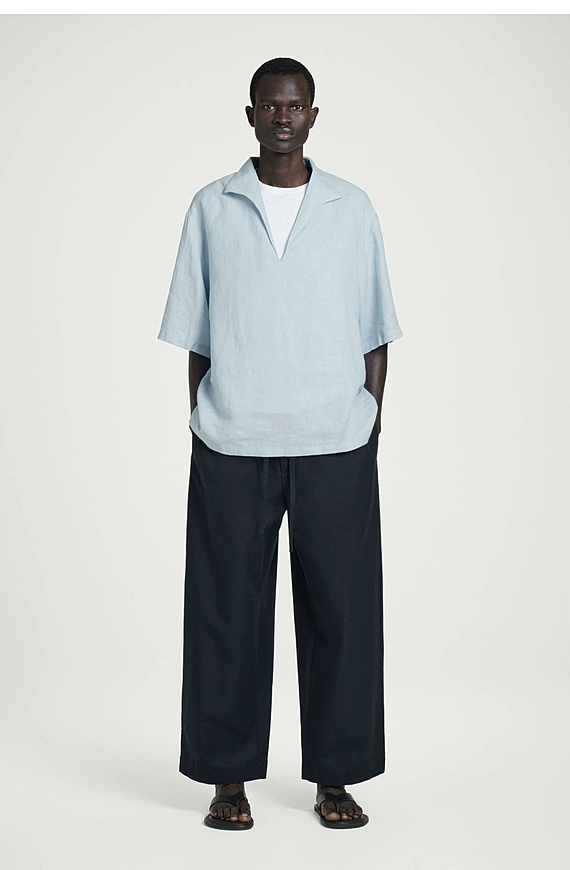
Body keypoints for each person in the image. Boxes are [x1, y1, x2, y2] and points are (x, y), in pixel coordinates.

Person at [157, 57, 403, 830]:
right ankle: (226, 778)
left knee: (342, 614)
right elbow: (196, 334)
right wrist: (205, 417)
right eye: (271, 106)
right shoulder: (212, 206)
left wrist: (368, 422)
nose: (284, 117)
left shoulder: (351, 208)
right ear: (252, 115)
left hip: (335, 442)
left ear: (314, 115)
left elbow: (375, 329)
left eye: (296, 106)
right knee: (226, 614)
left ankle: (336, 778)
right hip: (233, 442)